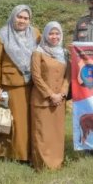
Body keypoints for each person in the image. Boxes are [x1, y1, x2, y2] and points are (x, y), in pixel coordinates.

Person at [0, 4, 40, 162]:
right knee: (10, 121)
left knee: (28, 121)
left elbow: (44, 50)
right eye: (19, 17)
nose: (22, 21)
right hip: (10, 86)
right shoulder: (1, 36)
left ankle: (26, 153)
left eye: (26, 18)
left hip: (32, 85)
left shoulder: (35, 33)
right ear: (13, 16)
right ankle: (7, 153)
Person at [30, 21, 70, 171]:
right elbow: (36, 76)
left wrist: (62, 94)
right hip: (42, 100)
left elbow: (68, 77)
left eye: (57, 33)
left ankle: (57, 164)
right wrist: (50, 94)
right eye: (51, 33)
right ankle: (41, 166)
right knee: (42, 134)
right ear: (46, 35)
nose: (54, 36)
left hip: (59, 101)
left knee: (56, 134)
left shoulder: (64, 53)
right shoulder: (38, 52)